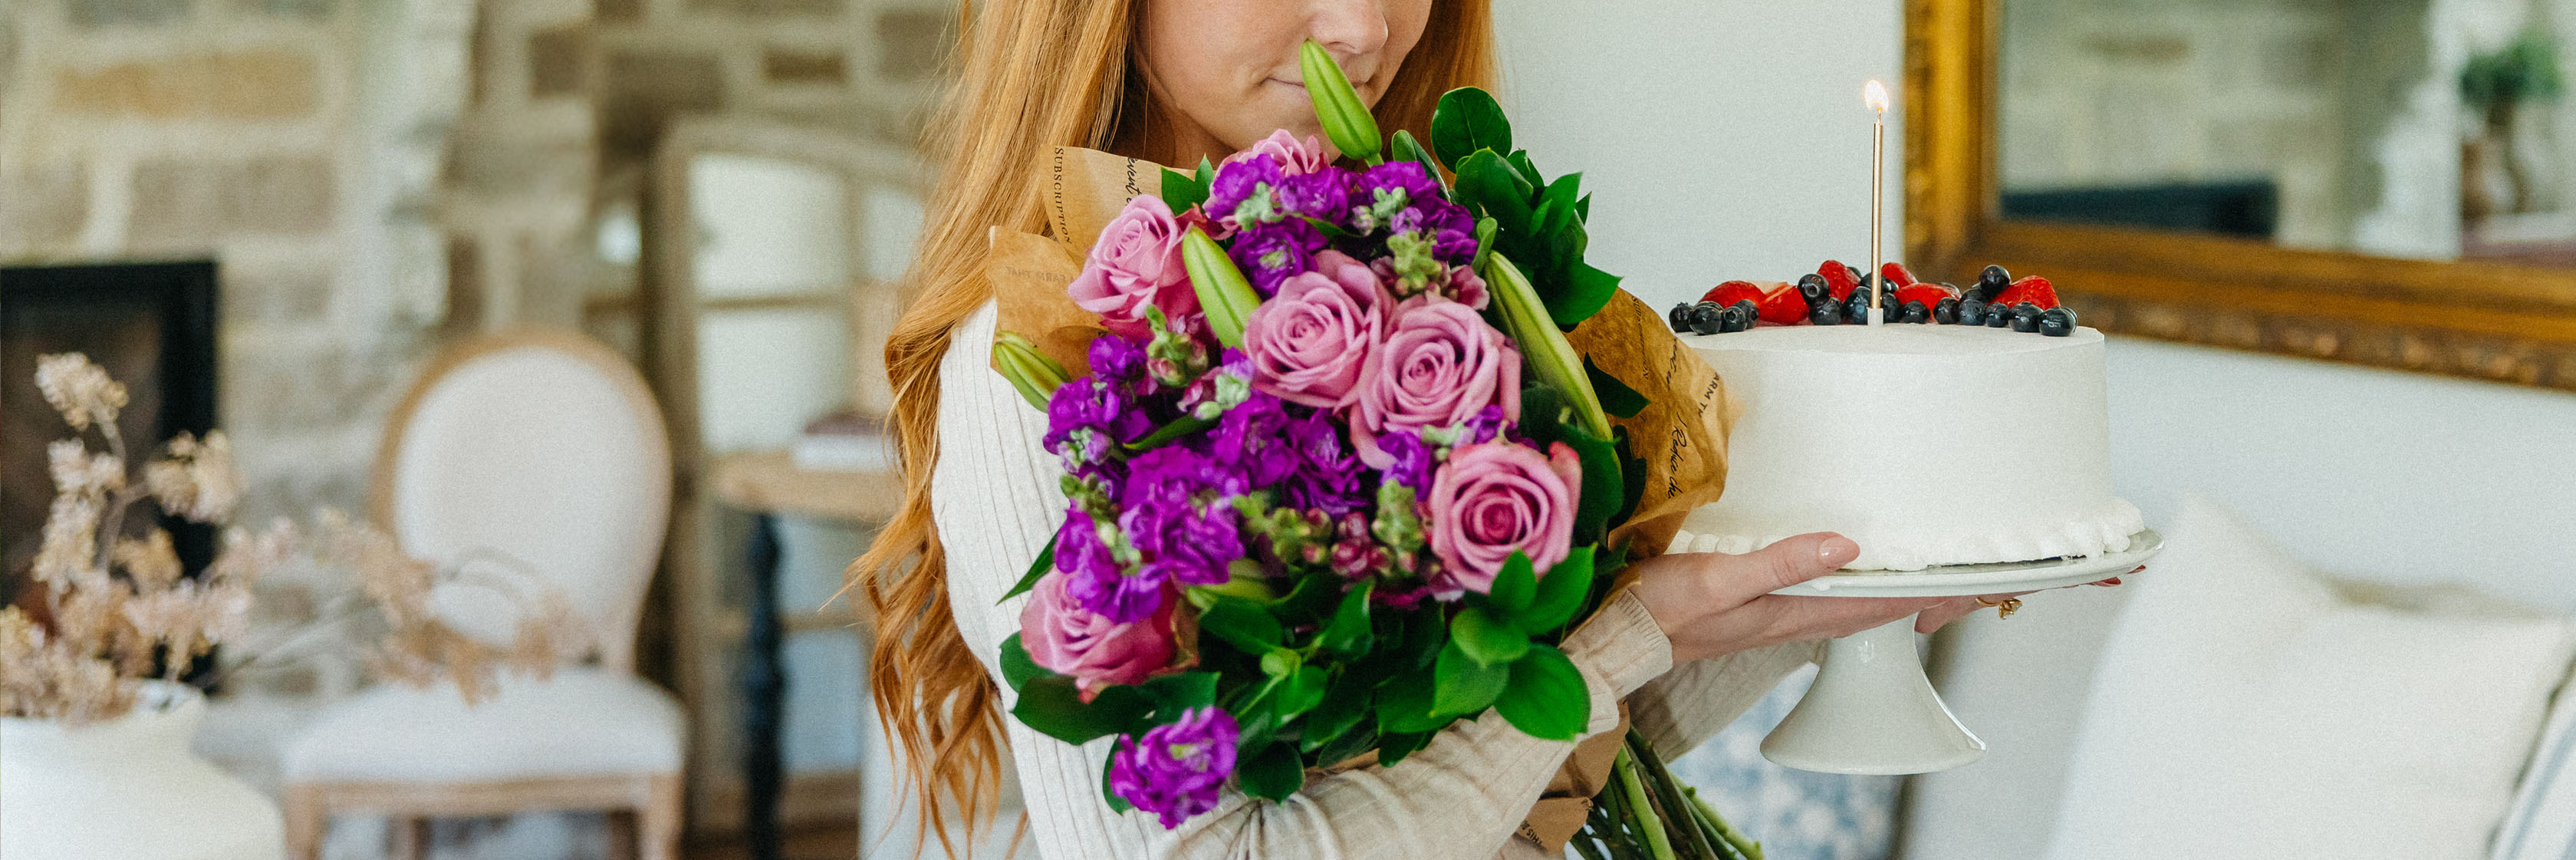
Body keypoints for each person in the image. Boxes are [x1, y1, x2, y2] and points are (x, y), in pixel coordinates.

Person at [849, 2, 2104, 857]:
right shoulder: (1033, 380)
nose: (1366, 27)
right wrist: (1626, 637)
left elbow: (1525, 751)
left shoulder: (1407, 275)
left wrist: (1818, 600)